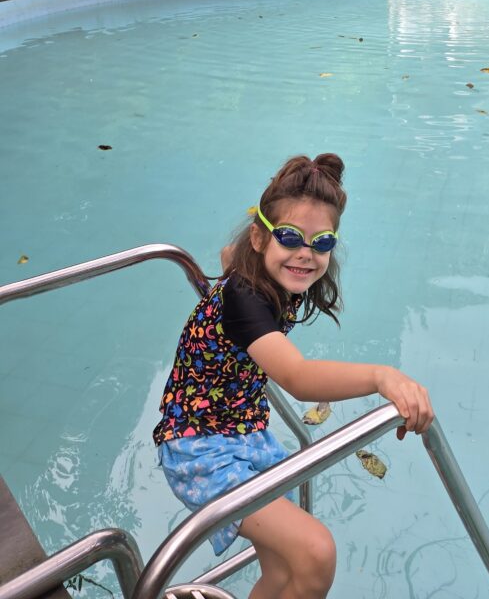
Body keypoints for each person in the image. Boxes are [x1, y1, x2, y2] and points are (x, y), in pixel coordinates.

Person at [153, 153, 433, 599]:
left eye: (321, 243)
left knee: (284, 569)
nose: (306, 253)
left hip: (246, 430)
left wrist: (244, 259)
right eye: (290, 237)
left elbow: (230, 255)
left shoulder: (258, 269)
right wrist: (382, 376)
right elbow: (298, 378)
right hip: (198, 445)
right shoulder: (243, 300)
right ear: (260, 239)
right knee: (314, 551)